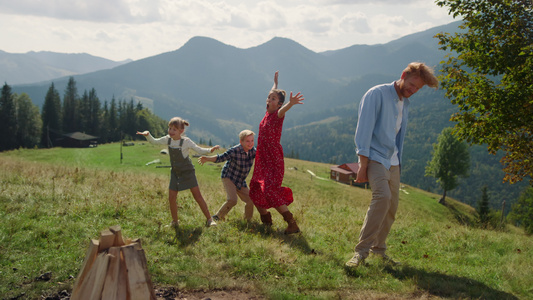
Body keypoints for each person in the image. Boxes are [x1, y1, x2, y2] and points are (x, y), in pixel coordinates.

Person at [346, 62, 439, 268]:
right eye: (412, 85)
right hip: (376, 156)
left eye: (417, 88)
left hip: (394, 160)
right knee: (382, 197)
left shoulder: (404, 103)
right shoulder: (376, 94)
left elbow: (398, 137)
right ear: (403, 75)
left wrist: (399, 162)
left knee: (392, 206)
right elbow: (363, 130)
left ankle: (378, 250)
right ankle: (361, 252)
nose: (412, 91)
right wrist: (362, 164)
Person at [136, 117, 220, 228]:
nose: (171, 131)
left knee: (197, 196)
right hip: (175, 172)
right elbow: (154, 142)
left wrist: (210, 150)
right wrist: (147, 135)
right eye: (170, 128)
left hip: (188, 172)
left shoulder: (186, 142)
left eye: (174, 129)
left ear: (181, 131)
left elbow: (199, 149)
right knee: (171, 197)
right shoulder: (167, 139)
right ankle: (175, 222)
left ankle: (209, 219)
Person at [249, 71, 304, 234]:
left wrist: (291, 103)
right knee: (255, 189)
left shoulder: (278, 115)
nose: (269, 100)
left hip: (273, 159)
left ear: (279, 104)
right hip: (262, 158)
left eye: (273, 99)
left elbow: (284, 109)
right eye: (269, 98)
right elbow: (271, 93)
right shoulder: (267, 113)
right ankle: (266, 222)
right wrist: (275, 84)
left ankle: (292, 223)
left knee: (269, 190)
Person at [198, 130, 256, 222]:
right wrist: (207, 158)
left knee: (251, 200)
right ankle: (218, 216)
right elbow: (221, 157)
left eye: (252, 140)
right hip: (229, 176)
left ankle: (247, 221)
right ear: (241, 142)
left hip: (240, 180)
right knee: (233, 200)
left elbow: (263, 157)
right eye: (247, 141)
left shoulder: (253, 151)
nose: (250, 143)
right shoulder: (234, 150)